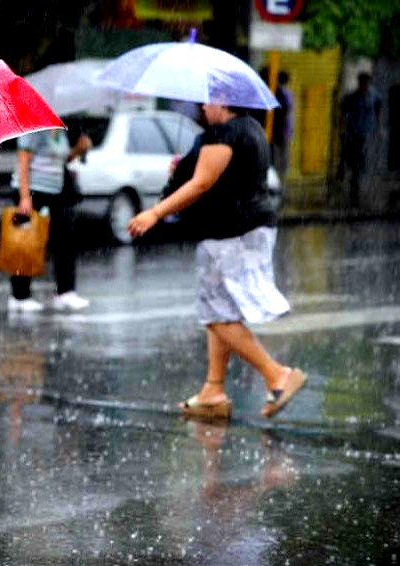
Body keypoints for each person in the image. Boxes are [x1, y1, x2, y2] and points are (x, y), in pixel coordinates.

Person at [127, 103, 306, 420]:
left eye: (209, 99)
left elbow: (202, 183)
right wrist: (185, 166)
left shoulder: (223, 133)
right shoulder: (251, 129)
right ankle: (213, 389)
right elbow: (223, 175)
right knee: (220, 309)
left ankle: (277, 375)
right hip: (249, 227)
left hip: (229, 232)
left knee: (215, 314)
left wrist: (155, 212)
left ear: (223, 100)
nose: (203, 105)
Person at [8, 129, 91, 312]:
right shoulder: (32, 130)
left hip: (56, 192)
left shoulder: (60, 131)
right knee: (27, 243)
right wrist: (25, 197)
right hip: (33, 192)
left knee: (65, 240)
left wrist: (78, 150)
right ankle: (19, 295)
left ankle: (65, 291)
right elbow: (23, 161)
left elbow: (61, 160)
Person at [339, 72, 383, 207]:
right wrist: (343, 127)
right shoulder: (352, 97)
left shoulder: (374, 95)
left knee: (365, 159)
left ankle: (361, 185)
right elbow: (343, 110)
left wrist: (379, 127)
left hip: (368, 133)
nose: (363, 85)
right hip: (354, 132)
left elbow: (379, 109)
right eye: (361, 82)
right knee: (354, 160)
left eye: (365, 82)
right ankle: (355, 186)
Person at [271, 71, 294, 189]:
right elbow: (285, 112)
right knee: (281, 160)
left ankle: (279, 184)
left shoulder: (280, 92)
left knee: (279, 159)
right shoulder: (282, 93)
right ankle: (279, 184)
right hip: (282, 131)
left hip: (282, 131)